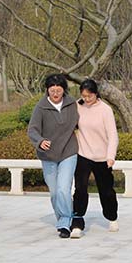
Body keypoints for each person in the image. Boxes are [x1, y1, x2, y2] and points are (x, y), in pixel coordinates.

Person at [27, 74, 79, 238]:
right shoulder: (41, 107)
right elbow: (32, 130)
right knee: (55, 193)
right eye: (52, 90)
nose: (55, 93)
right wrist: (40, 141)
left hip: (68, 152)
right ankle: (62, 218)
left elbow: (85, 118)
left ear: (64, 90)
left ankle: (65, 222)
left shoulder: (72, 104)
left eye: (59, 90)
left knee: (63, 189)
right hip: (48, 155)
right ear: (47, 90)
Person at [71, 79, 119, 238]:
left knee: (106, 191)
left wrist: (110, 156)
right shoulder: (78, 106)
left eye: (89, 96)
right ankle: (77, 223)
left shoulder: (105, 110)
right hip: (83, 154)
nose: (86, 99)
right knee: (80, 189)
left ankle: (112, 217)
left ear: (96, 93)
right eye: (83, 96)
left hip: (102, 156)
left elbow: (113, 135)